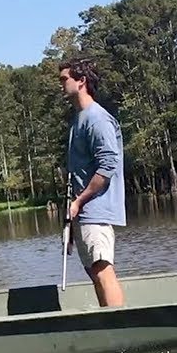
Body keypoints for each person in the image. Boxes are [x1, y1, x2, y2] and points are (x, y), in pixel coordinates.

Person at [59, 57, 125, 307]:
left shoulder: (97, 118)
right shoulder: (79, 118)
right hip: (82, 212)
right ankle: (108, 324)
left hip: (95, 211)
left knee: (102, 269)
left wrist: (79, 201)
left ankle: (120, 329)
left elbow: (108, 166)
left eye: (65, 79)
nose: (61, 84)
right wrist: (72, 212)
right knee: (93, 272)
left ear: (81, 81)